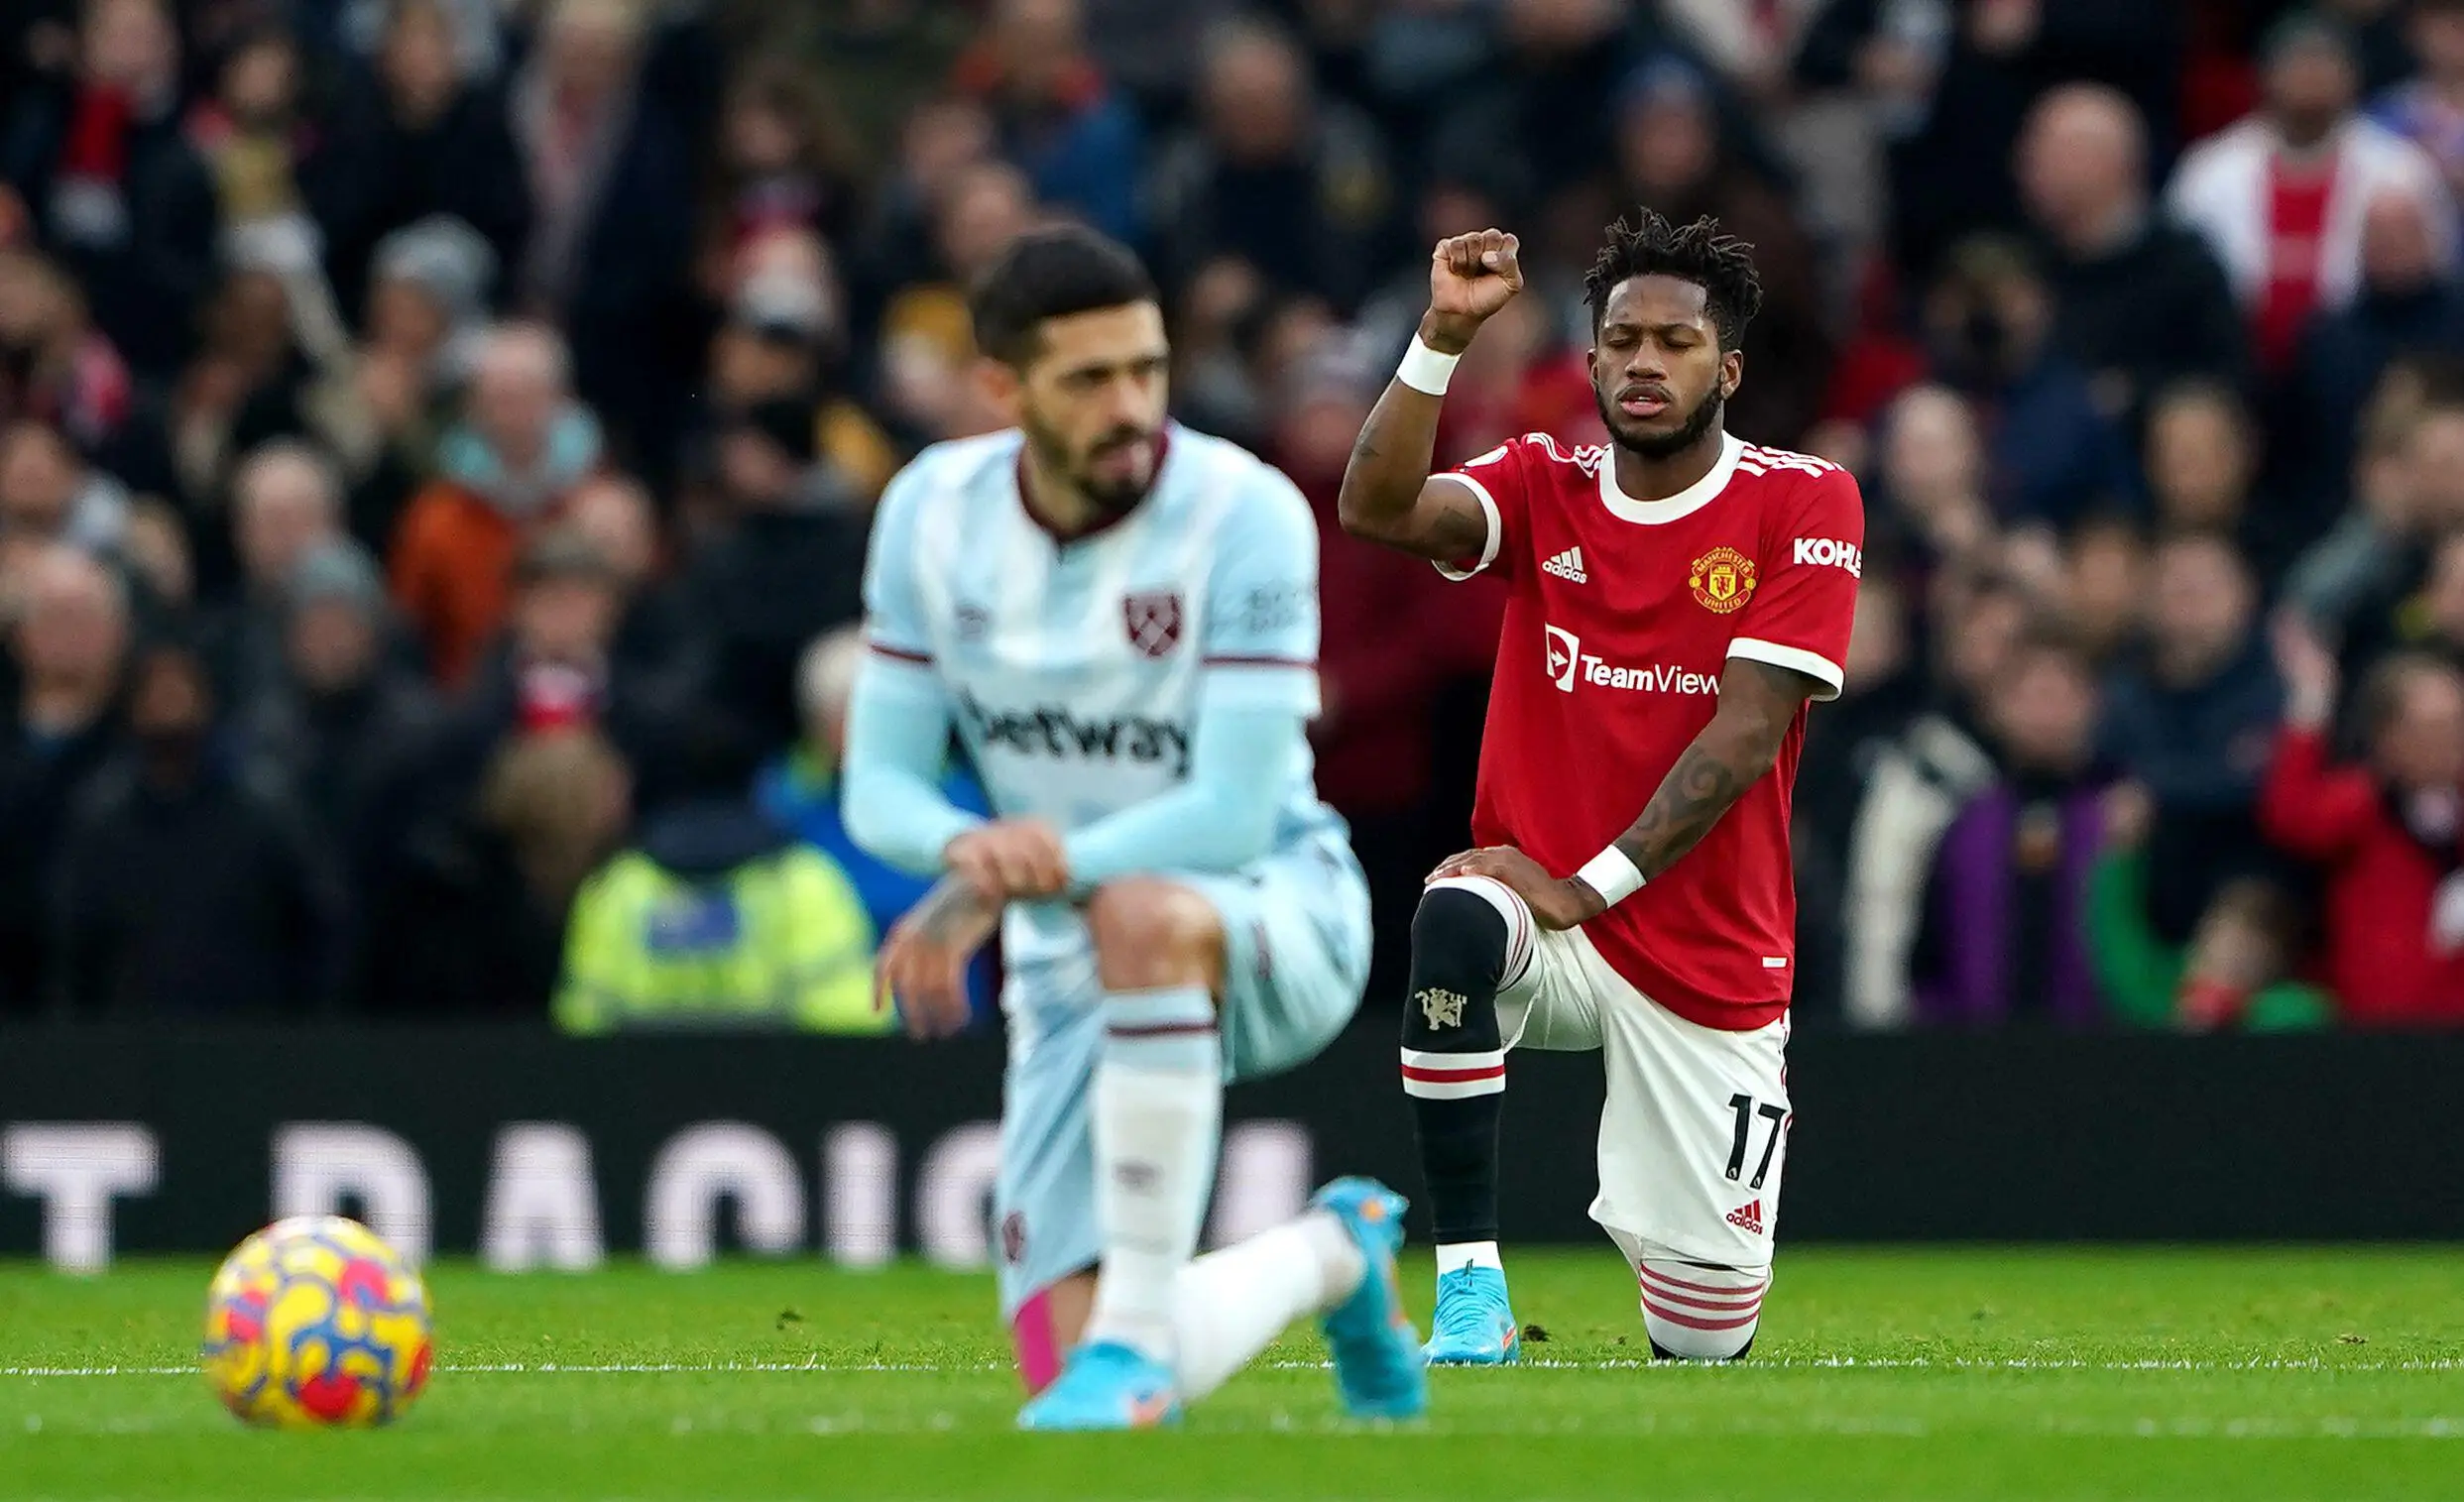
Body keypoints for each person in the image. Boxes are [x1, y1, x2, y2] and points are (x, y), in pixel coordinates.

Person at [841, 225, 1422, 1430]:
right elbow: (879, 789)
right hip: (1067, 955)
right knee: (1064, 1380)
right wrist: (965, 854)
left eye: (1147, 370)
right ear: (1002, 389)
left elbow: (1229, 813)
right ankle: (1333, 1254)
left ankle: (1133, 1346)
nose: (1130, 408)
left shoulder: (1243, 512)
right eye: (1089, 380)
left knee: (1142, 914)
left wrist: (1013, 877)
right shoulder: (929, 514)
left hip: (1274, 905)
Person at [1337, 209, 1864, 1363]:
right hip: (1548, 922)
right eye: (1621, 340)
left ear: (1727, 370)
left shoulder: (1804, 501)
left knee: (1704, 1335)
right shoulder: (1543, 482)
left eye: (1674, 342)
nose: (1643, 362)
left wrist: (1586, 885)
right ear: (1589, 362)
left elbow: (1745, 734)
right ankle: (1467, 1289)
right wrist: (1441, 337)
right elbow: (1373, 507)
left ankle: (1696, 1278)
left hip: (1705, 951)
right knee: (1456, 917)